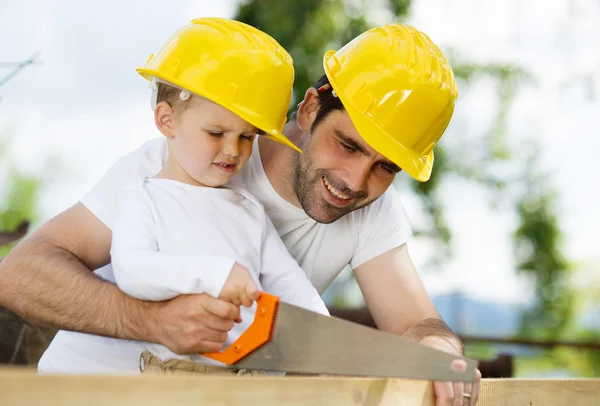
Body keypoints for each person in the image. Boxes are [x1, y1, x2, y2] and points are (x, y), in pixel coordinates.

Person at [0, 23, 481, 404]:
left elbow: (416, 324)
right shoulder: (170, 168)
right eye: (348, 145)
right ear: (311, 108)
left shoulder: (370, 210)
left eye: (386, 167)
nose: (355, 181)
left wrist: (440, 354)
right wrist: (152, 321)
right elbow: (20, 274)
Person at [35, 17, 328, 374]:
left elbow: (294, 289)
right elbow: (133, 270)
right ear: (167, 121)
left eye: (247, 137)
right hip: (81, 388)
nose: (232, 150)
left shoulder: (250, 214)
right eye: (216, 132)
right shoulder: (142, 196)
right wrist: (216, 274)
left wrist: (327, 334)